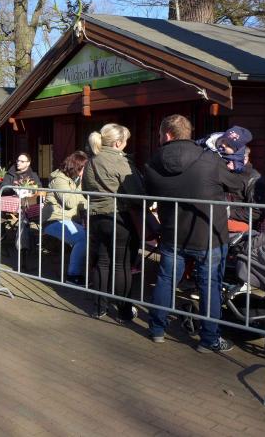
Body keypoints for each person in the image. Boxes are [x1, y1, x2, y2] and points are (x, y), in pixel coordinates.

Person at [145, 114, 244, 352]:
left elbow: (149, 191)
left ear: (167, 134)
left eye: (159, 135)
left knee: (166, 280)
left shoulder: (153, 161)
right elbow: (236, 185)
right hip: (208, 234)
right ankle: (209, 339)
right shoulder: (210, 158)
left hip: (173, 232)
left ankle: (157, 329)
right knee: (209, 285)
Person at [82, 123, 145, 321]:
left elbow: (84, 190)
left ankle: (99, 308)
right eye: (125, 141)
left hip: (97, 217)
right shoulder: (120, 161)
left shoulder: (92, 161)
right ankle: (124, 312)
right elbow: (137, 193)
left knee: (102, 262)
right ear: (118, 143)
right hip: (119, 217)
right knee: (121, 265)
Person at [42, 151, 89, 285]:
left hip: (70, 219)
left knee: (94, 234)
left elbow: (83, 202)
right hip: (54, 220)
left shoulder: (74, 180)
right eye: (84, 168)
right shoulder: (59, 179)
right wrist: (82, 187)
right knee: (83, 238)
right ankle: (73, 275)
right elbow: (69, 202)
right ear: (76, 166)